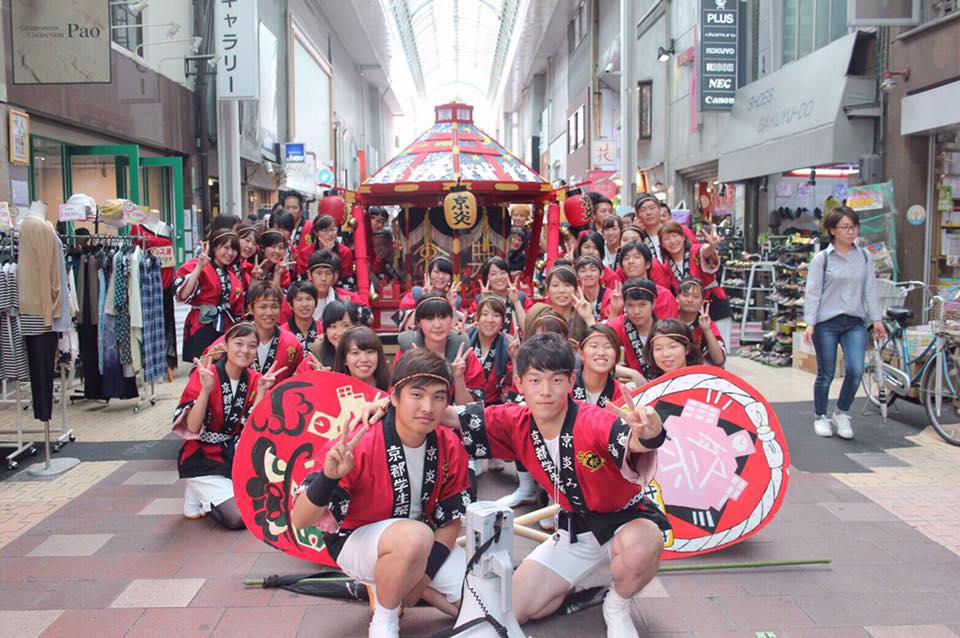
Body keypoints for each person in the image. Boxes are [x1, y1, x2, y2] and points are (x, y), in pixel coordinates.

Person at [446, 333, 669, 638]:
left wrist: (650, 433)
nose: (545, 391)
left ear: (571, 380)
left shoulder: (591, 420)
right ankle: (591, 582)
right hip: (575, 532)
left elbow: (632, 440)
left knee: (645, 542)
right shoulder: (515, 420)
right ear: (519, 382)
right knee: (513, 608)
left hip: (624, 523)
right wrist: (396, 405)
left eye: (556, 380)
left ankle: (617, 605)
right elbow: (451, 417)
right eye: (535, 380)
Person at [290, 350, 471, 638]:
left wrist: (423, 580)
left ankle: (399, 585)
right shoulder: (360, 441)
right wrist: (328, 477)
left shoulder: (449, 444)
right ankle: (384, 621)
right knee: (414, 536)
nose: (428, 407)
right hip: (357, 542)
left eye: (438, 397)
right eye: (416, 395)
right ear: (394, 397)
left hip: (419, 545)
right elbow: (300, 520)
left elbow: (451, 520)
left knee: (486, 603)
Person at [173, 322, 284, 528]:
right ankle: (201, 492)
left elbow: (253, 430)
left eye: (252, 346)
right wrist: (205, 391)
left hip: (232, 454)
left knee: (269, 503)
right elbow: (193, 427)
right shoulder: (206, 374)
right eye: (239, 343)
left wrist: (261, 393)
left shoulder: (256, 379)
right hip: (201, 456)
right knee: (238, 518)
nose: (245, 350)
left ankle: (200, 494)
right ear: (226, 345)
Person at [803, 206, 884, 440]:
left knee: (856, 370)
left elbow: (870, 290)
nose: (851, 231)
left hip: (855, 321)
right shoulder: (822, 259)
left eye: (854, 227)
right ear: (832, 230)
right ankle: (820, 416)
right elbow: (813, 293)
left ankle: (842, 412)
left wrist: (877, 319)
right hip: (826, 322)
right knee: (826, 373)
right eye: (845, 227)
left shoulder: (864, 257)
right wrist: (810, 323)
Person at [205, 281, 303, 384]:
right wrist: (209, 358)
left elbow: (299, 377)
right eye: (263, 307)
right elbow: (202, 370)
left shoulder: (291, 343)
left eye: (274, 306)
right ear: (251, 309)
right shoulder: (234, 338)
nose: (269, 312)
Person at [395, 294, 485, 404]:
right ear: (419, 322)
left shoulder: (464, 354)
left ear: (451, 319)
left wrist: (459, 378)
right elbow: (396, 398)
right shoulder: (407, 352)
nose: (437, 325)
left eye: (443, 317)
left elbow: (472, 408)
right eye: (429, 318)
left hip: (454, 414)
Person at [174, 230, 245, 362]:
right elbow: (183, 294)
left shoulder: (234, 278)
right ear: (214, 247)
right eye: (226, 247)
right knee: (201, 367)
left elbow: (237, 309)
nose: (230, 253)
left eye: (234, 249)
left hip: (225, 329)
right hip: (201, 326)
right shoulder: (199, 265)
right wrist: (199, 267)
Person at [657, 221, 732, 343]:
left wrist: (711, 246)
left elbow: (704, 251)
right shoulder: (666, 267)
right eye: (666, 239)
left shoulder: (694, 251)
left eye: (675, 236)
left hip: (713, 304)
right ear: (662, 244)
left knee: (719, 346)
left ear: (683, 237)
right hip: (691, 312)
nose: (672, 241)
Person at [607, 278, 660, 380]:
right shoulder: (617, 327)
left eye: (642, 305)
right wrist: (632, 373)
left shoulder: (665, 331)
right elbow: (602, 360)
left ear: (653, 303)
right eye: (630, 305)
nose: (636, 311)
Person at [467, 295, 513, 405]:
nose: (490, 320)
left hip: (495, 406)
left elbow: (513, 384)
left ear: (502, 321)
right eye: (485, 314)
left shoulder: (508, 345)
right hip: (465, 403)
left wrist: (515, 358)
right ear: (477, 317)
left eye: (496, 315)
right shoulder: (465, 340)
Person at [531, 265, 595, 342]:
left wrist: (589, 318)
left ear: (576, 289)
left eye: (567, 285)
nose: (561, 290)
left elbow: (597, 343)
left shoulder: (583, 316)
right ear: (547, 290)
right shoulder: (538, 315)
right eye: (555, 285)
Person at [614, 242, 677, 319]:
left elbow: (668, 325)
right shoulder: (618, 296)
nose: (631, 261)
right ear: (622, 268)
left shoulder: (663, 295)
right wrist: (615, 310)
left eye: (637, 257)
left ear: (647, 264)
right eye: (626, 258)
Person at [397, 257, 462, 331]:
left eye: (445, 273)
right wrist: (423, 299)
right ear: (429, 275)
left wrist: (452, 306)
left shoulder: (455, 300)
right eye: (436, 272)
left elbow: (456, 332)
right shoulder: (416, 294)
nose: (441, 276)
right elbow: (408, 329)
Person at [302, 250, 365, 322]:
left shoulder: (348, 297)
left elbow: (369, 318)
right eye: (319, 273)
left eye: (328, 273)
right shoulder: (298, 299)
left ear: (335, 276)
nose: (323, 278)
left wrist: (350, 307)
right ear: (309, 274)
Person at [675, 278, 726, 367]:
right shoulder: (669, 320)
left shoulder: (707, 323)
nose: (690, 300)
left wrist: (707, 330)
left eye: (696, 297)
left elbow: (719, 360)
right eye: (685, 295)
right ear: (677, 298)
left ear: (702, 302)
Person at [633, 193, 697, 263]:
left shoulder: (678, 229)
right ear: (637, 214)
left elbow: (697, 253)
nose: (648, 213)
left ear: (659, 209)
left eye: (652, 208)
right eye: (643, 210)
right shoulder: (638, 238)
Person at [573, 324, 626, 407]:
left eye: (608, 347)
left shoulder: (623, 394)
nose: (601, 353)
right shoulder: (565, 382)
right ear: (581, 353)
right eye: (594, 346)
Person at [477, 257, 527, 338]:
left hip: (514, 344)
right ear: (487, 278)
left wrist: (516, 302)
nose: (499, 277)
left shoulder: (521, 297)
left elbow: (528, 329)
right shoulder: (480, 299)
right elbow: (473, 329)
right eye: (493, 274)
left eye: (503, 273)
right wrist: (483, 302)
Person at [332, 326, 390, 391]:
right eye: (355, 353)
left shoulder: (392, 390)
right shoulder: (334, 391)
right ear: (344, 359)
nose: (364, 359)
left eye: (370, 352)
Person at [309, 300, 360, 369]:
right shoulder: (318, 349)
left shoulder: (367, 347)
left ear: (356, 326)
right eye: (333, 326)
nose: (340, 333)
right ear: (325, 330)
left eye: (346, 325)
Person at [311, 214, 355, 290]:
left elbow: (347, 279)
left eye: (333, 230)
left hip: (339, 289)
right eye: (325, 230)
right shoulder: (306, 252)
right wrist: (326, 253)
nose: (330, 234)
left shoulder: (345, 252)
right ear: (316, 232)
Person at [281, 190, 313, 279]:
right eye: (287, 207)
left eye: (294, 208)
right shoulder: (279, 227)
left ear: (301, 209)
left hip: (304, 275)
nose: (291, 211)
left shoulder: (309, 227)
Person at [575, 255, 617, 322]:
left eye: (593, 270)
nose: (588, 274)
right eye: (583, 271)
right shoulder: (575, 299)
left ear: (601, 274)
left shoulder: (611, 297)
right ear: (577, 276)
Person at [281, 280, 320, 351]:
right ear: (290, 305)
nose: (304, 304)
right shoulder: (280, 333)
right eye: (299, 299)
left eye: (308, 299)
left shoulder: (324, 330)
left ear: (316, 303)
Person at [235, 223, 260, 290]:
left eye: (254, 244)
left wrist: (254, 278)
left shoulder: (248, 267)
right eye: (247, 240)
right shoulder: (225, 264)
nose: (250, 246)